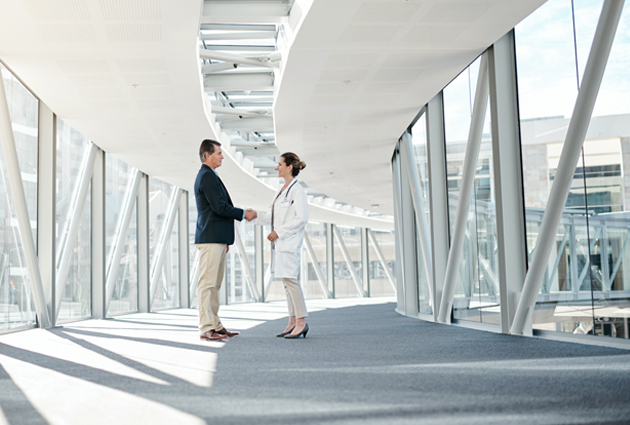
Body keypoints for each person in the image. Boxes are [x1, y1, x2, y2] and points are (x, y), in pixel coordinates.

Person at [194, 139, 256, 342]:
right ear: (207, 156)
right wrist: (242, 213)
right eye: (219, 153)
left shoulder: (211, 175)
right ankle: (206, 327)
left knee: (215, 284)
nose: (222, 157)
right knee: (207, 284)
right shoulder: (206, 177)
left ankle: (215, 325)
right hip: (211, 238)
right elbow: (219, 207)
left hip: (217, 238)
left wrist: (225, 240)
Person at [253, 152, 310, 339]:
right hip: (281, 246)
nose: (277, 167)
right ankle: (292, 321)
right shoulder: (283, 190)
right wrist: (255, 215)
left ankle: (301, 322)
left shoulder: (297, 190)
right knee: (287, 283)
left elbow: (301, 218)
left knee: (291, 282)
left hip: (289, 244)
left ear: (289, 167)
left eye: (279, 164)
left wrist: (279, 232)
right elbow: (272, 216)